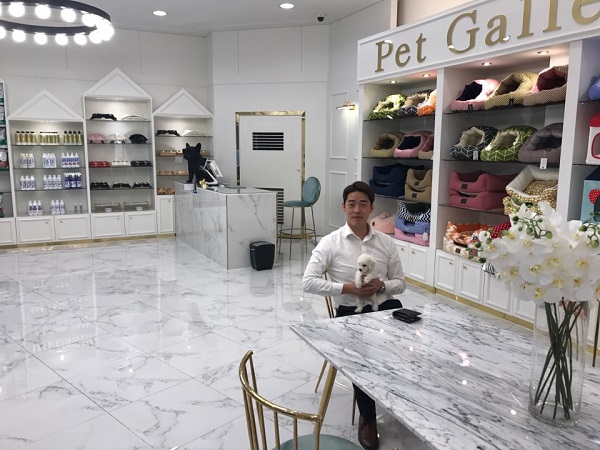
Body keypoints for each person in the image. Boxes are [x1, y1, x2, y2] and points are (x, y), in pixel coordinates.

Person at [302, 181, 406, 450]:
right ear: (343, 207)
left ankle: (404, 401)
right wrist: (347, 288)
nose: (357, 209)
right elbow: (308, 282)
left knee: (411, 346)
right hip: (350, 312)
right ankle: (368, 418)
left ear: (371, 208)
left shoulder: (386, 242)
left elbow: (401, 283)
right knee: (362, 358)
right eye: (352, 204)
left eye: (363, 204)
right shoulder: (330, 242)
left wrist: (381, 286)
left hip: (384, 306)